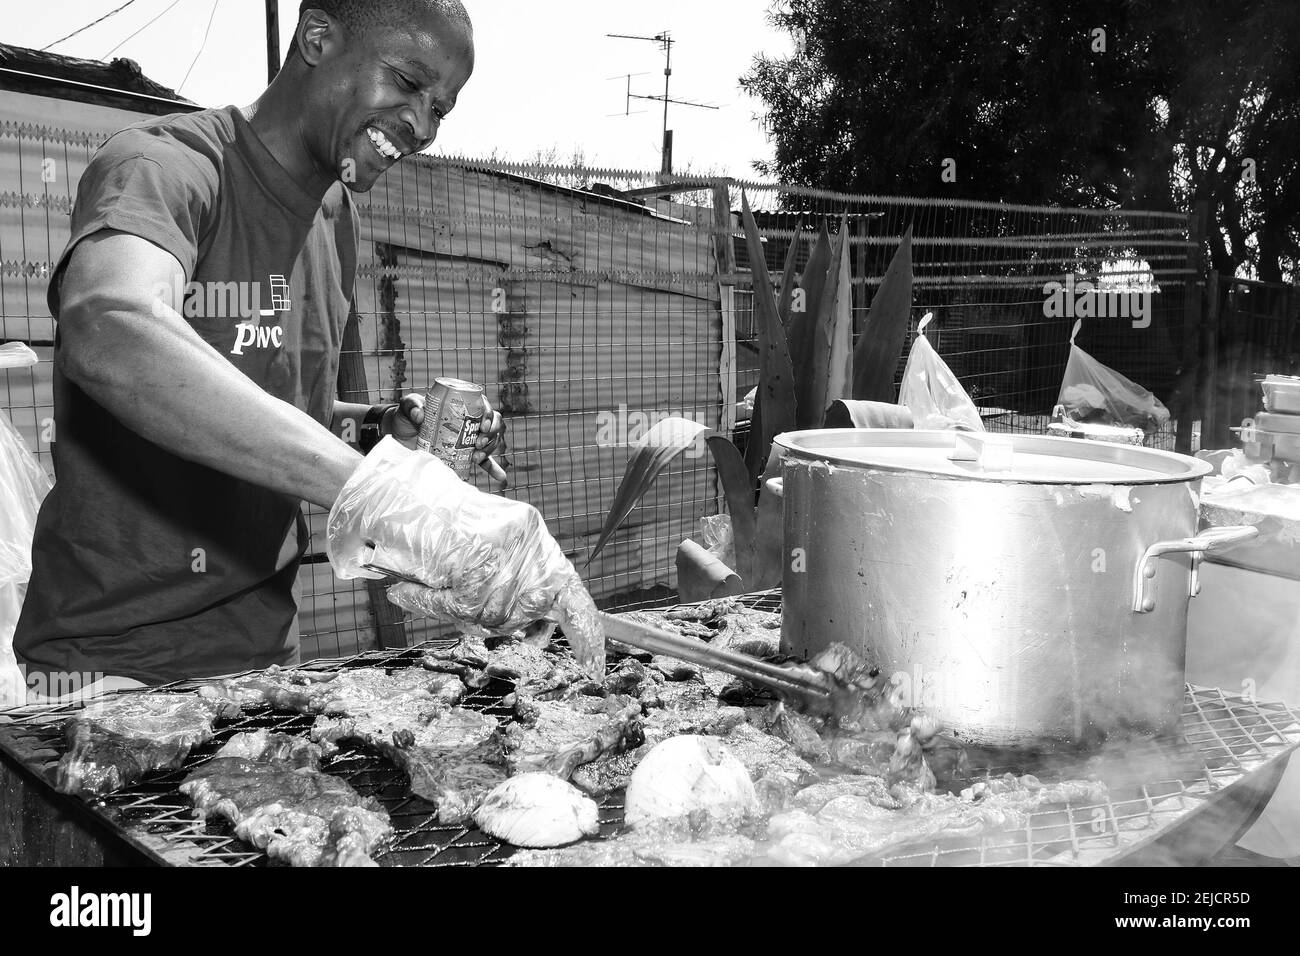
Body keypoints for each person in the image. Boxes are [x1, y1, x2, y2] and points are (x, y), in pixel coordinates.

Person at [12, 0, 602, 696]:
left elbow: (281, 411)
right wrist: (378, 492)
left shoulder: (335, 216)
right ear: (318, 37)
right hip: (109, 668)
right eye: (408, 81)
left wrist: (381, 430)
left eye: (442, 107)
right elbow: (111, 327)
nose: (420, 124)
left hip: (264, 661)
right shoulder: (166, 167)